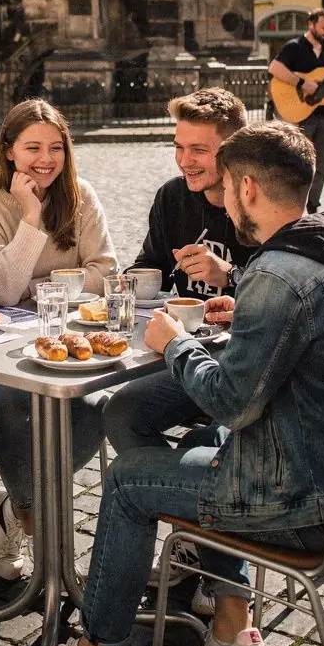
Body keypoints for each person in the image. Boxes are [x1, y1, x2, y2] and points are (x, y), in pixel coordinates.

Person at [12, 121, 324, 646]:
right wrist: (244, 295)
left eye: (225, 185)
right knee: (188, 431)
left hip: (314, 501)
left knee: (128, 482)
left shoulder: (281, 274)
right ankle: (228, 630)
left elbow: (232, 402)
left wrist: (175, 342)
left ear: (246, 188)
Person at [0, 99, 117, 581]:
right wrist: (29, 217)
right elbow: (1, 291)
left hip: (64, 345)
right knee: (16, 404)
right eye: (32, 148)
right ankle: (32, 519)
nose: (46, 160)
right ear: (9, 151)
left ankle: (12, 507)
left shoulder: (81, 196)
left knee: (99, 408)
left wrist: (40, 289)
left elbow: (106, 271)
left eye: (56, 148)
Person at [104, 87, 253, 458]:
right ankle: (165, 484)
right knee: (121, 413)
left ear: (232, 151)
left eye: (198, 150)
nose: (185, 161)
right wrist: (130, 280)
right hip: (184, 348)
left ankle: (196, 484)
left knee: (215, 438)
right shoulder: (172, 197)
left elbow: (282, 294)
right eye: (179, 147)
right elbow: (152, 263)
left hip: (243, 359)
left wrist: (229, 275)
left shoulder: (257, 203)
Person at [268, 8, 324, 211]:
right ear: (311, 24)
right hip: (302, 116)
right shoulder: (295, 46)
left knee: (321, 166)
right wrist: (301, 83)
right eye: (323, 27)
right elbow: (274, 68)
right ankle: (294, 209)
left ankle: (313, 207)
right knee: (300, 163)